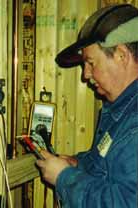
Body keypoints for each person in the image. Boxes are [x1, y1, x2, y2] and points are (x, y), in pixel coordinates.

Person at [36, 4, 138, 208]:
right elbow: (103, 161)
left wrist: (64, 177)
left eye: (91, 63)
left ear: (121, 56)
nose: (85, 75)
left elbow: (126, 203)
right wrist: (77, 163)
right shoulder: (119, 110)